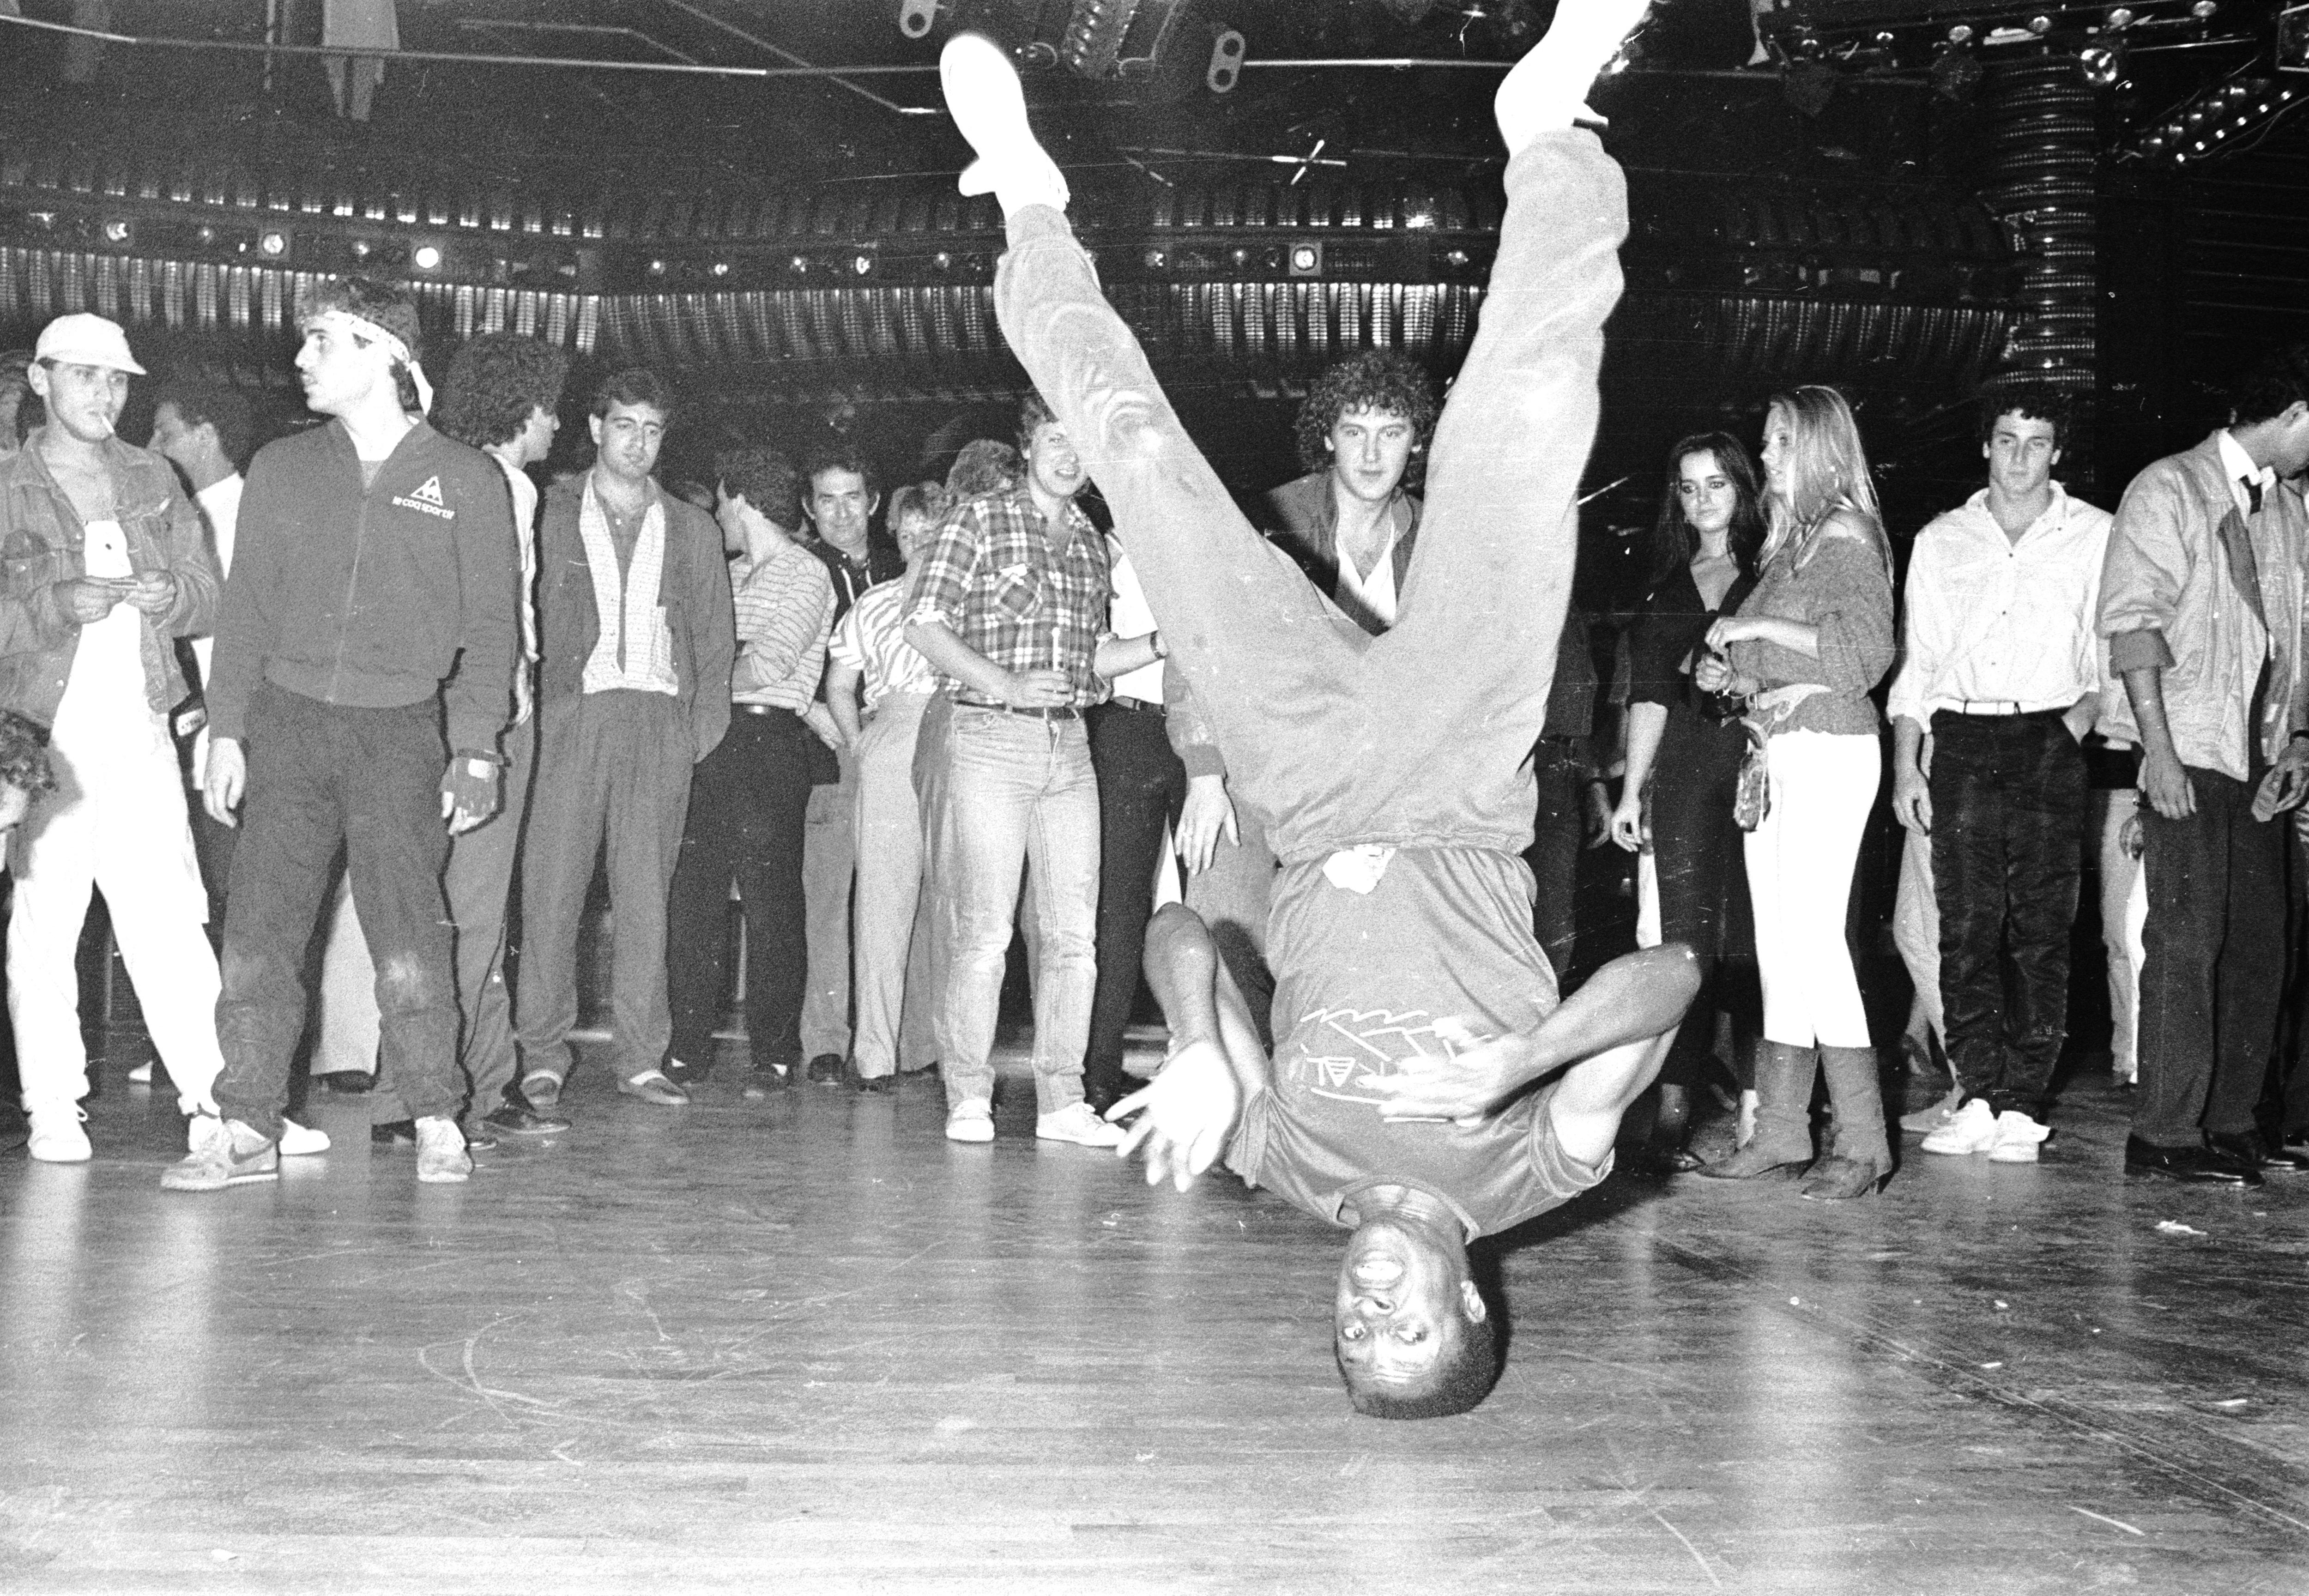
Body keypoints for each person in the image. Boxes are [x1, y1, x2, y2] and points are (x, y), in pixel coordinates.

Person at [936, 0, 1687, 1417]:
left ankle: (1029, 205)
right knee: (1525, 431)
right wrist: (1533, 1060)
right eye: (1406, 1340)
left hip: (1305, 782)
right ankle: (1548, 130)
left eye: (1351, 1345)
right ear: (1467, 1305)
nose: (1369, 1316)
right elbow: (1675, 979)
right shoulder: (1531, 1175)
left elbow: (1175, 928)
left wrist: (1210, 1055)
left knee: (1145, 471)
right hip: (1462, 778)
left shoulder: (1289, 1172)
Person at [165, 277, 520, 1191]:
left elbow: (492, 631)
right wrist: (229, 732)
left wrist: (477, 747)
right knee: (260, 934)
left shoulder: (466, 479)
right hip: (285, 727)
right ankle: (246, 1123)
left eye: (321, 340)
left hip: (402, 733)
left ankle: (438, 1111)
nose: (301, 358)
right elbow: (245, 613)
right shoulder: (285, 468)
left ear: (382, 353)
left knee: (409, 935)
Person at [306, 333, 574, 1148]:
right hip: (483, 721)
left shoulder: (429, 466)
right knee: (468, 914)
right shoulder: (504, 485)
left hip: (417, 713)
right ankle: (420, 1097)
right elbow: (500, 624)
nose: (558, 424)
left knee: (431, 906)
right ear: (523, 411)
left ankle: (473, 1087)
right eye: (550, 408)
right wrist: (493, 725)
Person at [903, 391, 1163, 1148]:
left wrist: (1158, 644)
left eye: (1081, 441)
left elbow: (1094, 662)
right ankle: (968, 1094)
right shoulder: (980, 517)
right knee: (985, 935)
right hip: (990, 737)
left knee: (1074, 937)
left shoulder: (1088, 540)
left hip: (1071, 747)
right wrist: (1006, 684)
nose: (1068, 453)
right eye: (1056, 435)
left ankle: (1061, 1101)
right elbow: (922, 622)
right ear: (1029, 443)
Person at [0, 315, 227, 1163]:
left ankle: (216, 1103)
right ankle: (53, 1105)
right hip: (39, 741)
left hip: (140, 729)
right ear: (41, 381)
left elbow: (211, 596)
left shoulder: (153, 475)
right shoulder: (7, 483)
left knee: (171, 916)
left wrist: (175, 595)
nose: (106, 395)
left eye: (119, 380)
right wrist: (49, 606)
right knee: (47, 922)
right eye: (87, 376)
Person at [1168, 352, 1439, 1048]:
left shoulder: (1438, 540)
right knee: (1225, 926)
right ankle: (1227, 1091)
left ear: (1417, 440)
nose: (1373, 452)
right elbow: (1198, 643)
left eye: (1392, 431)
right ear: (1327, 436)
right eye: (1355, 431)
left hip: (1371, 784)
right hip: (1257, 768)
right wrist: (1204, 773)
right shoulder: (1272, 520)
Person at [2099, 347, 2309, 1185]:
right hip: (2189, 748)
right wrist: (2159, 752)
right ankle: (2164, 1133)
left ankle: (2230, 1122)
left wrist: (2299, 742)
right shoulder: (2168, 489)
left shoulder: (2288, 510)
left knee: (2260, 945)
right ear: (2295, 415)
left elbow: (2300, 639)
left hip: (2260, 761)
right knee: (2187, 940)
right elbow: (2133, 628)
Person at [1889, 388, 2112, 1165]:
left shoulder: (2095, 535)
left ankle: (2025, 1101)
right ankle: (1977, 1092)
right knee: (1967, 928)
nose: (2020, 457)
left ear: (2058, 452)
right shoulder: (1942, 540)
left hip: (2047, 733)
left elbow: (2114, 650)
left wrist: (2073, 725)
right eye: (2007, 440)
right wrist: (1906, 765)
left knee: (2043, 930)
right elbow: (1918, 663)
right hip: (1959, 737)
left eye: (2037, 442)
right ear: (1984, 446)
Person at [1691, 385, 1897, 1201]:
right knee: (1779, 948)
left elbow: (1861, 656)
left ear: (1816, 447)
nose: (1766, 455)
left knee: (1815, 941)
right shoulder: (1790, 548)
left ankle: (1863, 1142)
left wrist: (1755, 631)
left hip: (1829, 746)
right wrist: (1728, 671)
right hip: (1778, 750)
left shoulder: (1846, 535)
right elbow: (1769, 662)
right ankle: (1778, 1132)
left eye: (1778, 442)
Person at [516, 369, 736, 1114]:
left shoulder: (693, 527)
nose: (638, 443)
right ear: (595, 427)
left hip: (657, 723)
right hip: (573, 720)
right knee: (552, 894)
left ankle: (642, 1056)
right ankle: (541, 1054)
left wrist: (691, 735)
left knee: (648, 899)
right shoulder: (549, 513)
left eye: (652, 430)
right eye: (624, 426)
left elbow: (714, 641)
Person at [1610, 432, 1764, 1168]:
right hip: (1681, 776)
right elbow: (1649, 697)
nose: (1703, 500)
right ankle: (1672, 1111)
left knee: (1758, 943)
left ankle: (1761, 1117)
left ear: (1744, 488)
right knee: (1684, 946)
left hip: (1760, 770)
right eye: (1689, 487)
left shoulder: (1774, 570)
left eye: (1717, 485)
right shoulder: (1668, 582)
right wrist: (1632, 791)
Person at [662, 447, 832, 1095]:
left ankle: (776, 1048)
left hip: (768, 740)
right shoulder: (725, 573)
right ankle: (687, 1046)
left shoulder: (806, 572)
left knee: (771, 902)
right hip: (711, 740)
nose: (719, 520)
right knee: (694, 897)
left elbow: (770, 663)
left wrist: (700, 681)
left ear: (741, 500)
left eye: (723, 506)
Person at [825, 481, 946, 1091]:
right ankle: (873, 1055)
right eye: (910, 535)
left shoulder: (974, 602)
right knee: (883, 903)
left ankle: (948, 1053)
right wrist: (857, 740)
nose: (921, 545)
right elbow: (839, 684)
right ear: (895, 538)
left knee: (956, 907)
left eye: (933, 533)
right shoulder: (873, 603)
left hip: (961, 733)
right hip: (894, 736)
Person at [797, 443, 905, 1087]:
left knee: (897, 899)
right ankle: (826, 1043)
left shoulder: (905, 564)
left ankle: (896, 1042)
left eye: (852, 497)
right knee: (831, 899)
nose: (841, 513)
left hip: (900, 746)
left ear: (874, 502)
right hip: (831, 752)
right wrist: (828, 719)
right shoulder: (800, 568)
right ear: (810, 509)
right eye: (826, 500)